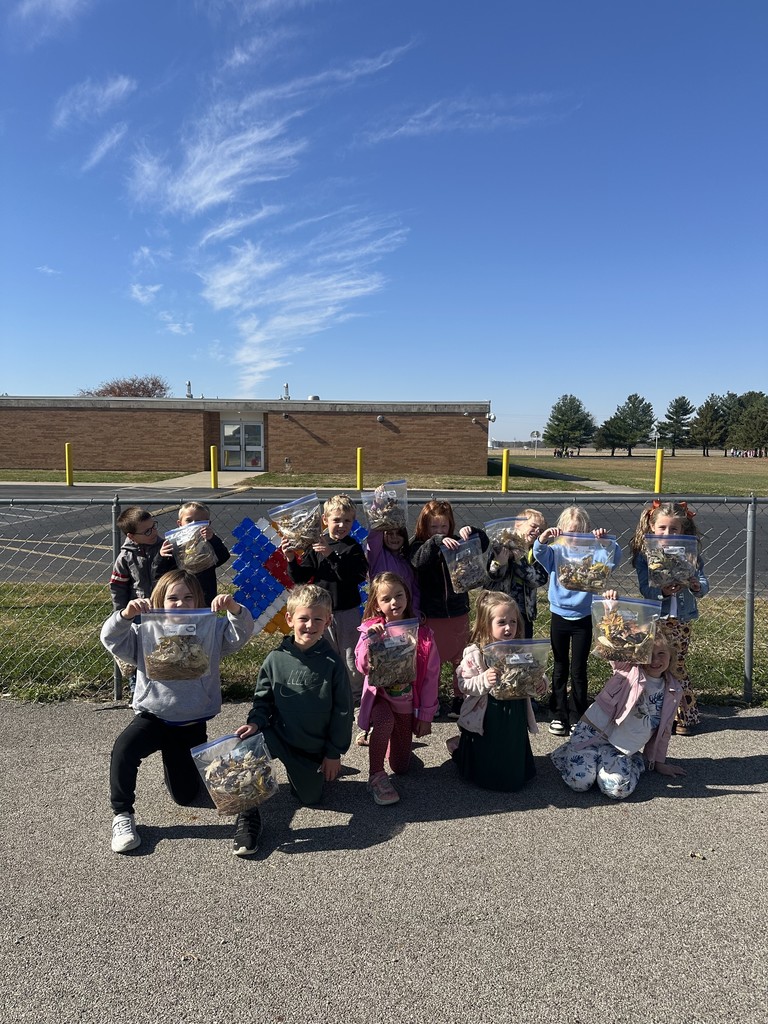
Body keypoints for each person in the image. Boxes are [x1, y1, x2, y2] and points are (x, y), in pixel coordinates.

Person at [100, 569, 254, 854]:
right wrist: (125, 615)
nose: (181, 603)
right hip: (153, 717)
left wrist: (234, 608)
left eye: (188, 597)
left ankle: (187, 764)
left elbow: (240, 635)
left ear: (199, 601)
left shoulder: (209, 630)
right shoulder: (145, 631)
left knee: (185, 797)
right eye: (173, 598)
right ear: (160, 599)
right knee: (124, 749)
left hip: (191, 723)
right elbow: (111, 639)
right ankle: (122, 814)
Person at [232, 584, 353, 856]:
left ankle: (309, 770)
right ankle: (247, 818)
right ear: (289, 619)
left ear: (328, 622)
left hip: (310, 750)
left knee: (311, 798)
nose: (310, 625)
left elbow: (343, 714)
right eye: (303, 618)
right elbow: (262, 700)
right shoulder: (275, 659)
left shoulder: (333, 664)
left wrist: (333, 753)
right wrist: (255, 722)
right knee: (245, 750)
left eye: (318, 619)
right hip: (278, 737)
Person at [550, 635, 685, 799]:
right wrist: (622, 629)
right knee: (580, 783)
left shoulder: (673, 690)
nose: (655, 659)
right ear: (639, 654)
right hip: (592, 735)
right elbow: (612, 648)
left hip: (620, 747)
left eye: (661, 653)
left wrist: (658, 762)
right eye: (649, 653)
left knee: (617, 791)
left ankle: (632, 761)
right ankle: (570, 752)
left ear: (671, 655)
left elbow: (664, 731)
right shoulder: (628, 670)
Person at [533, 505, 622, 737]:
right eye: (570, 531)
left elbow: (613, 558)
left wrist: (604, 543)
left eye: (580, 532)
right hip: (559, 616)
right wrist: (543, 538)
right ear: (561, 530)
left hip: (583, 617)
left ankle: (577, 714)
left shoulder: (594, 553)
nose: (575, 536)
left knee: (579, 669)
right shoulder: (556, 551)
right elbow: (539, 553)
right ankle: (558, 713)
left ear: (587, 531)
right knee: (560, 666)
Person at [354, 572, 439, 805]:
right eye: (386, 598)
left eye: (399, 595)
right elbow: (362, 666)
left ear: (407, 596)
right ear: (376, 604)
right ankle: (376, 775)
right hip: (380, 698)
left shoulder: (422, 634)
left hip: (406, 702)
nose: (394, 602)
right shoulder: (371, 631)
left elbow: (431, 677)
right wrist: (371, 642)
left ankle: (388, 742)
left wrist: (425, 716)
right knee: (384, 722)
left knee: (401, 767)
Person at [450, 590, 545, 792]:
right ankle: (483, 772)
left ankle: (513, 772)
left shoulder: (519, 650)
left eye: (513, 622)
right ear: (486, 625)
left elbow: (534, 672)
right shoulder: (475, 653)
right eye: (501, 622)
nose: (509, 628)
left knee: (511, 743)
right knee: (489, 746)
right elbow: (464, 684)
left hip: (514, 712)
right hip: (487, 713)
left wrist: (540, 682)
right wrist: (484, 679)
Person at [630, 499, 709, 735]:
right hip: (656, 618)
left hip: (681, 620)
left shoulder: (690, 554)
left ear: (683, 530)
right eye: (662, 528)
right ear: (652, 527)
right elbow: (646, 588)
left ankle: (685, 716)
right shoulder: (646, 555)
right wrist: (662, 591)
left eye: (674, 529)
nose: (667, 533)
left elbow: (703, 584)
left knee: (677, 666)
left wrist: (695, 586)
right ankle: (654, 715)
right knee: (653, 666)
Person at [409, 499, 489, 719]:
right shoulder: (419, 545)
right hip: (432, 614)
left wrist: (472, 532)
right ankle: (431, 699)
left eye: (444, 526)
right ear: (425, 526)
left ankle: (459, 697)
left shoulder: (457, 542)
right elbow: (418, 562)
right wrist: (436, 541)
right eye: (434, 527)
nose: (440, 530)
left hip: (457, 610)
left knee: (460, 659)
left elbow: (483, 544)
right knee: (431, 660)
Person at [284, 493, 367, 703]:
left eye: (347, 521)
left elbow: (355, 576)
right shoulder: (316, 545)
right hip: (321, 612)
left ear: (353, 522)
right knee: (326, 653)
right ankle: (328, 693)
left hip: (347, 611)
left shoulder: (353, 548)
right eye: (336, 520)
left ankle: (355, 696)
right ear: (325, 520)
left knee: (351, 656)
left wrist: (331, 555)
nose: (341, 525)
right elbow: (301, 578)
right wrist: (291, 559)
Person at [486, 508, 549, 639]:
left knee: (522, 645)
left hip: (523, 613)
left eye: (541, 530)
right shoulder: (501, 544)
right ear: (518, 525)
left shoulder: (538, 552)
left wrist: (518, 560)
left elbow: (538, 580)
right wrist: (499, 563)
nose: (537, 531)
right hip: (499, 609)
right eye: (533, 526)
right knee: (498, 644)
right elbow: (491, 576)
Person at [159, 501, 231, 607]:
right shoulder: (173, 543)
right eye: (189, 520)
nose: (193, 524)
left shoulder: (208, 541)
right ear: (180, 523)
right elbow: (160, 572)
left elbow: (223, 557)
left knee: (204, 616)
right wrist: (162, 556)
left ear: (207, 523)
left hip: (205, 593)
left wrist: (213, 539)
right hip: (179, 596)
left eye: (199, 522)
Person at [109, 506, 173, 611]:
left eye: (154, 526)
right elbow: (118, 588)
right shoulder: (125, 557)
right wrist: (121, 613)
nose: (154, 532)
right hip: (140, 609)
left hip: (165, 607)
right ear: (131, 536)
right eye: (147, 531)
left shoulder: (165, 548)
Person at [364, 527, 420, 617]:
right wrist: (382, 522)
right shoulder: (378, 556)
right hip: (383, 614)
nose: (394, 537)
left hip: (405, 615)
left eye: (399, 533)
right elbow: (374, 537)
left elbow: (415, 591)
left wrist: (415, 611)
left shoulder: (408, 560)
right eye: (390, 533)